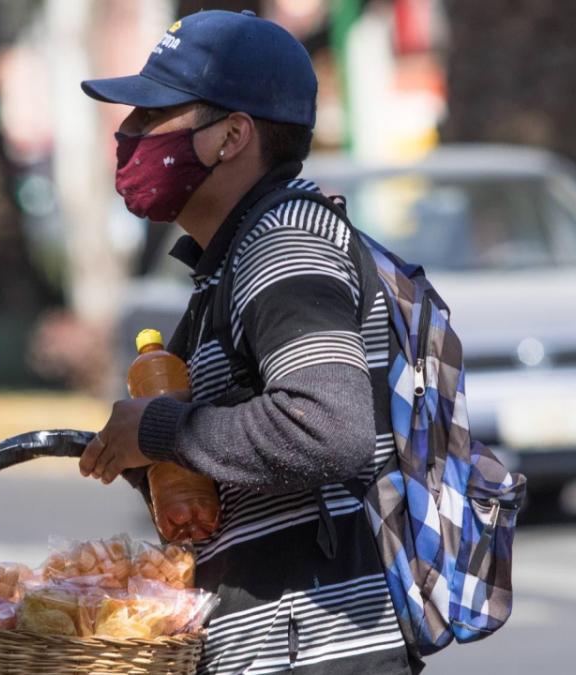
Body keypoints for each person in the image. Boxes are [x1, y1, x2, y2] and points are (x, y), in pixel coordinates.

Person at [77, 10, 418, 674]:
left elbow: (328, 428)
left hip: (317, 654)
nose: (129, 134)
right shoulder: (226, 264)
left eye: (153, 116)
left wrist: (161, 430)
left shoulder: (283, 245)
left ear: (232, 136)